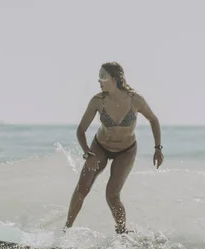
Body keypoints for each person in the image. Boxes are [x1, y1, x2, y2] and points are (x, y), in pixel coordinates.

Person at [64, 62, 163, 234]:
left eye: (103, 76)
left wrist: (157, 148)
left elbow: (153, 120)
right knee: (83, 188)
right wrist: (88, 153)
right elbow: (81, 130)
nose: (99, 80)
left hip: (126, 151)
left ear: (115, 79)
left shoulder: (135, 99)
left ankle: (122, 232)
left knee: (112, 195)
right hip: (100, 147)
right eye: (99, 77)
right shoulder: (98, 101)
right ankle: (65, 230)